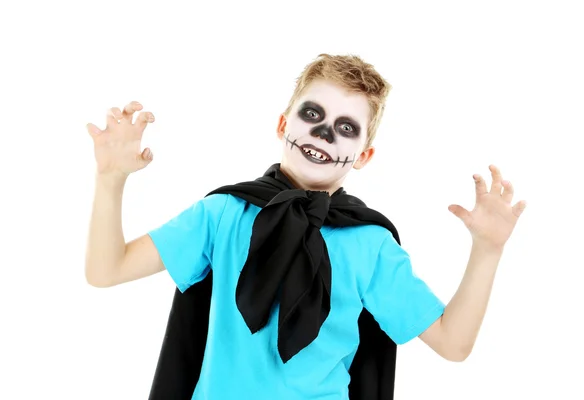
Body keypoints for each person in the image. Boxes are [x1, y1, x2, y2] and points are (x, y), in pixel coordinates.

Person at [85, 54, 526, 400]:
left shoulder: (368, 244)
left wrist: (487, 250)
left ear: (363, 156)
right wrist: (110, 179)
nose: (324, 135)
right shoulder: (223, 214)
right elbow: (107, 271)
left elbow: (452, 343)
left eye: (346, 128)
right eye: (312, 114)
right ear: (284, 124)